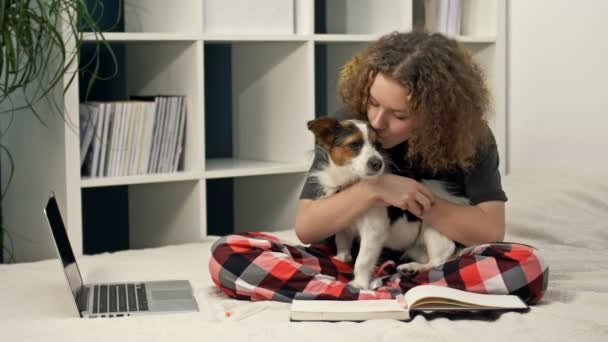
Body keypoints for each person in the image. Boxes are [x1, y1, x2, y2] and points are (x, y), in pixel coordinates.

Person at [210, 31, 548, 304]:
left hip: (429, 259)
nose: (377, 121)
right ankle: (397, 294)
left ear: (436, 114)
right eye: (373, 102)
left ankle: (381, 292)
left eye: (399, 115)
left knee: (526, 268)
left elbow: (490, 232)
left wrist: (413, 199)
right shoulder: (351, 128)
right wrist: (375, 188)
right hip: (343, 262)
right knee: (229, 254)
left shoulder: (472, 136)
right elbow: (308, 228)